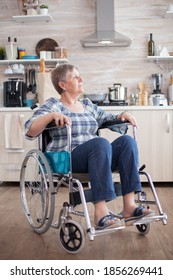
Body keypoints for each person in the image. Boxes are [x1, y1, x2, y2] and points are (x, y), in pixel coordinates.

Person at [25, 63, 154, 230]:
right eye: (75, 77)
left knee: (126, 142)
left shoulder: (87, 105)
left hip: (98, 155)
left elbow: (107, 117)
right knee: (100, 144)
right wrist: (51, 115)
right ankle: (100, 212)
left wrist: (121, 115)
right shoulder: (53, 105)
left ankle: (129, 206)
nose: (81, 79)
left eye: (80, 76)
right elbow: (30, 129)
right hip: (71, 157)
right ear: (62, 85)